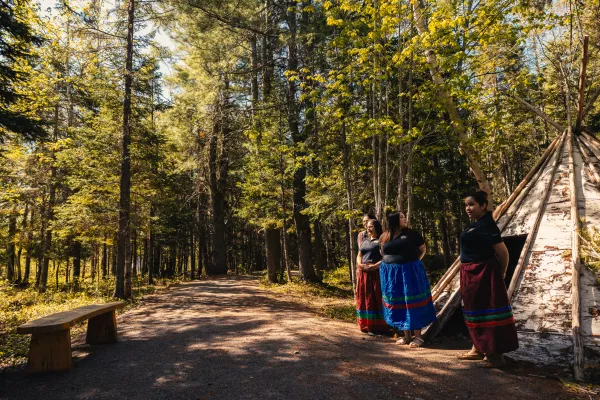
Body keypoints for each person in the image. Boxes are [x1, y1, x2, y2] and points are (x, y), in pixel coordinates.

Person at [457, 190, 518, 367]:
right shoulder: (473, 225)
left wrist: (502, 272)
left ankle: (495, 354)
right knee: (472, 308)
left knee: (488, 310)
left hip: (483, 272)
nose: (468, 208)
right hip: (469, 272)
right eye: (466, 205)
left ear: (483, 205)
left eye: (472, 204)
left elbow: (503, 252)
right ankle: (477, 348)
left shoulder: (488, 225)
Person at [378, 212, 436, 348]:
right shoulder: (385, 236)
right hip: (391, 274)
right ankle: (406, 335)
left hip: (409, 272)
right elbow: (382, 252)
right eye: (401, 218)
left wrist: (414, 264)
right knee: (398, 301)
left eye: (404, 217)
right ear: (393, 221)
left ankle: (418, 336)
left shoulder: (412, 234)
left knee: (412, 300)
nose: (405, 219)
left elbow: (423, 249)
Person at [355, 219, 388, 335]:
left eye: (370, 227)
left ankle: (379, 326)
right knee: (365, 297)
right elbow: (359, 255)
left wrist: (375, 266)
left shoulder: (381, 240)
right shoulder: (365, 240)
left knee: (376, 297)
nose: (368, 229)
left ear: (376, 227)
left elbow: (386, 257)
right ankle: (366, 325)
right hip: (364, 273)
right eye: (367, 227)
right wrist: (359, 264)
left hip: (376, 273)